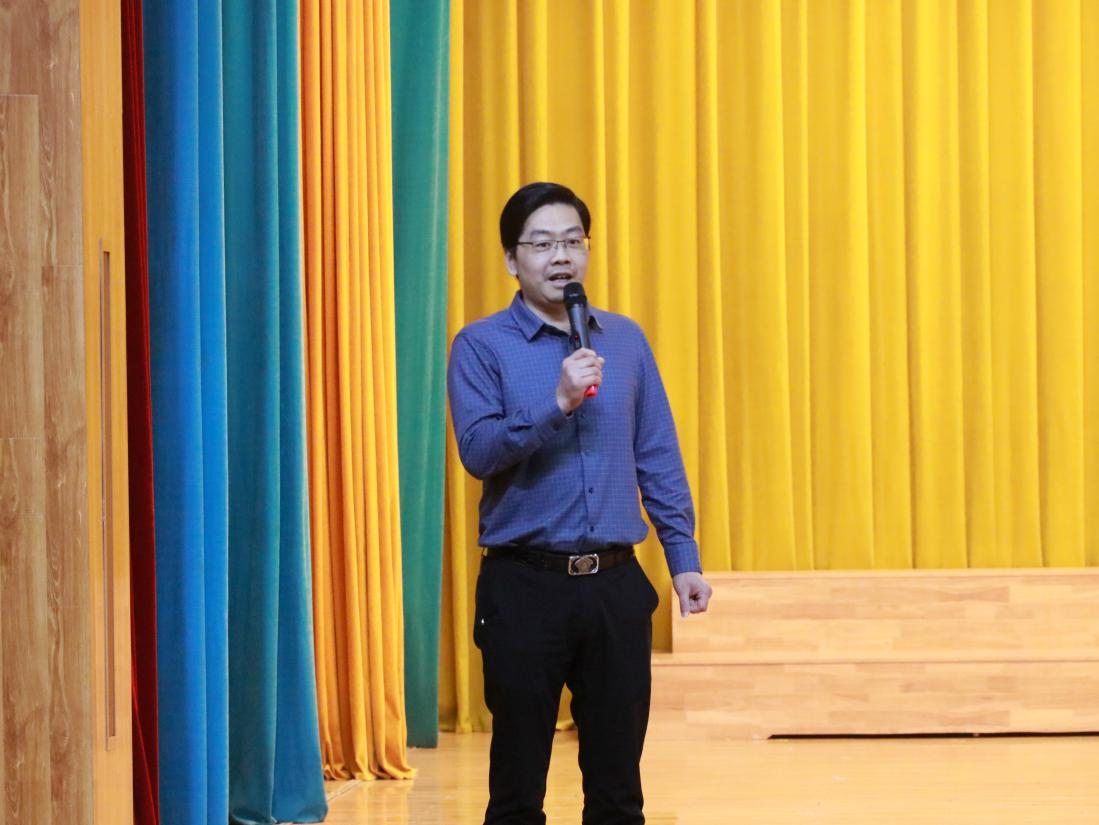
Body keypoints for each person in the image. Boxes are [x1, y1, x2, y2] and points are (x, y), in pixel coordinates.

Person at [447, 181, 712, 825]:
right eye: (542, 244)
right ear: (512, 259)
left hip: (616, 586)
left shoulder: (624, 340)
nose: (560, 256)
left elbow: (657, 453)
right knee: (517, 791)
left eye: (573, 241)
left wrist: (683, 558)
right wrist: (557, 403)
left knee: (619, 791)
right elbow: (479, 453)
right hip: (524, 586)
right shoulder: (480, 345)